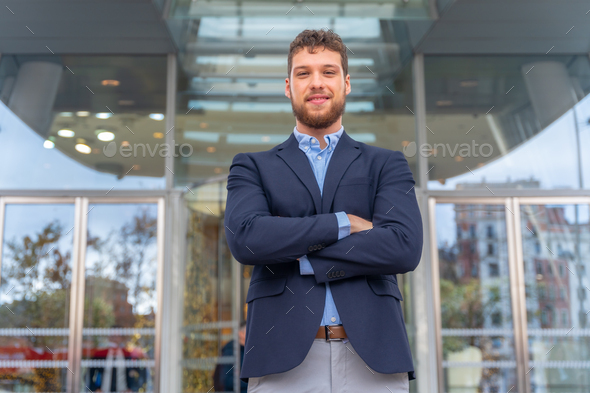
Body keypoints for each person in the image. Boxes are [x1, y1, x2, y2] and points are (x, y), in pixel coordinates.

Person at [223, 28, 423, 393]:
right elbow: (248, 241)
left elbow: (403, 246)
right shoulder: (251, 166)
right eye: (304, 73)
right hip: (281, 359)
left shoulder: (386, 164)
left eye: (328, 72)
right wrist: (342, 223)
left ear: (346, 83)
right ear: (288, 86)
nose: (317, 83)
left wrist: (295, 249)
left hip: (373, 358)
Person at [213, 322, 248, 392]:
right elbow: (226, 380)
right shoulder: (230, 352)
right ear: (240, 333)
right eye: (249, 331)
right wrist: (251, 382)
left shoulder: (246, 350)